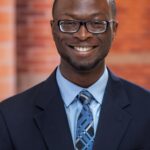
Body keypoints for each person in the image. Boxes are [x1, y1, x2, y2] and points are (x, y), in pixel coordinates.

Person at [0, 0, 150, 149]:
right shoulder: (9, 118)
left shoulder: (146, 110)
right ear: (53, 29)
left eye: (96, 24)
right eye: (69, 23)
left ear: (114, 30)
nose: (83, 35)